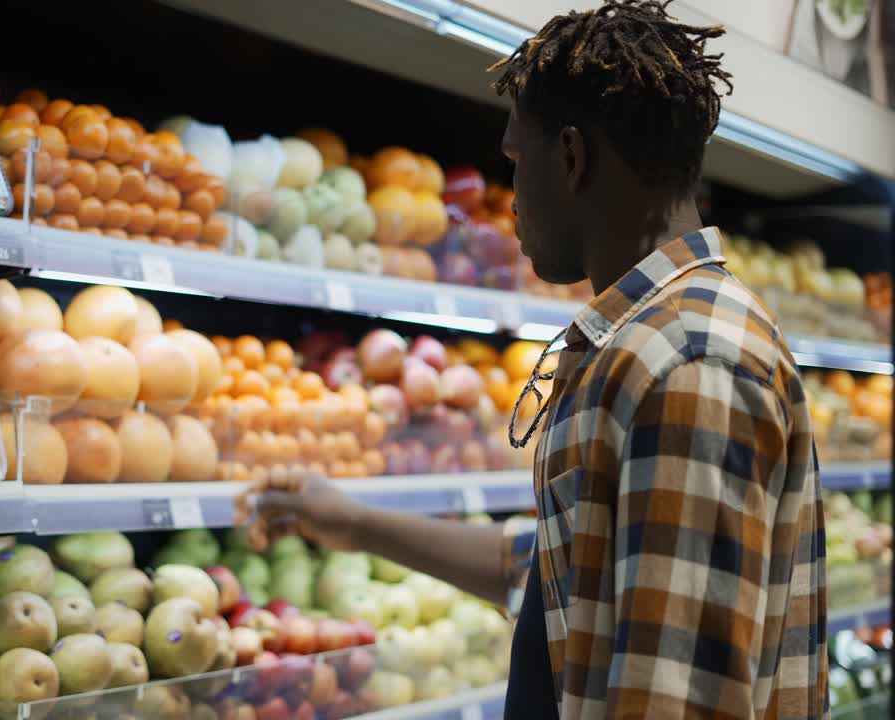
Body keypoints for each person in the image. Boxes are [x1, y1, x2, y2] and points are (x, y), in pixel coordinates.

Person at [234, 1, 828, 718]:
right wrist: (351, 522)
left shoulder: (687, 363)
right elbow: (564, 573)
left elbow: (677, 697)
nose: (510, 197)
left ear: (571, 157)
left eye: (516, 161)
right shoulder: (650, 341)